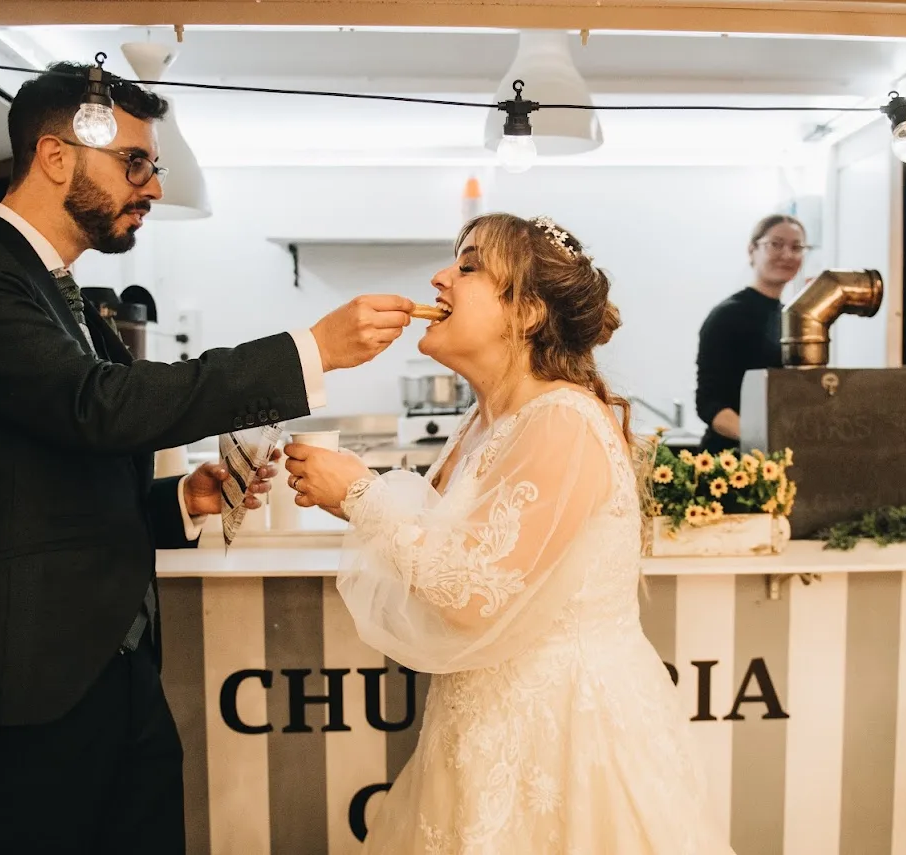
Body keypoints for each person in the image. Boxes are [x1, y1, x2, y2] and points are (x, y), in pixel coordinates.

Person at [0, 61, 413, 855]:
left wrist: (182, 501)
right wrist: (311, 350)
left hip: (116, 688)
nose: (152, 187)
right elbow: (94, 406)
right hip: (11, 702)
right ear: (55, 156)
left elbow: (59, 477)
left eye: (152, 166)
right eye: (134, 162)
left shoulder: (71, 302)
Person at [284, 213, 735, 853]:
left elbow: (477, 592)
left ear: (526, 312)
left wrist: (362, 494)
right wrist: (350, 496)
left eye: (468, 266)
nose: (440, 278)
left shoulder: (563, 420)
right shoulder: (482, 423)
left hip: (563, 734)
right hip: (480, 726)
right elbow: (448, 550)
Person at [695, 214, 808, 454]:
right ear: (752, 250)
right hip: (730, 462)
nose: (787, 254)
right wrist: (763, 440)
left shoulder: (793, 318)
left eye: (796, 247)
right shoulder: (726, 315)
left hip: (776, 459)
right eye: (776, 244)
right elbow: (709, 403)